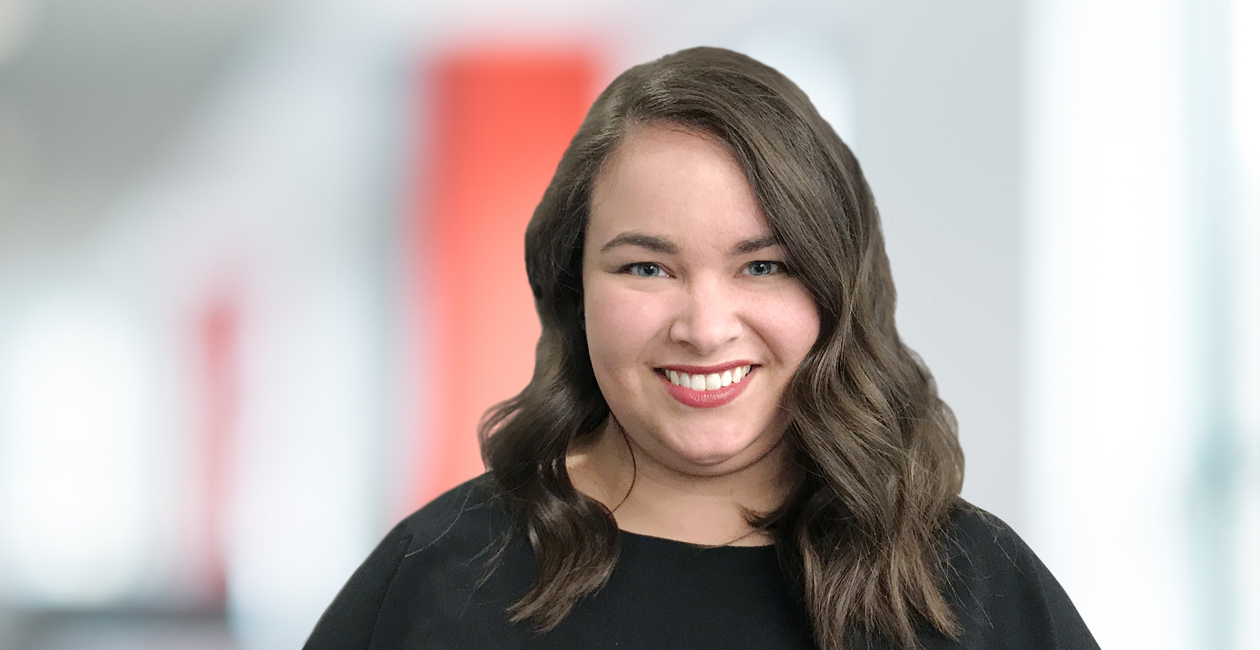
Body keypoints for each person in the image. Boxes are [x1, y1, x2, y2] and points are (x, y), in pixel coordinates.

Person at [304, 46, 1097, 650]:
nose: (706, 327)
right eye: (647, 267)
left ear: (835, 290)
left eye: (764, 266)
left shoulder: (974, 585)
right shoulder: (437, 577)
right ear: (575, 288)